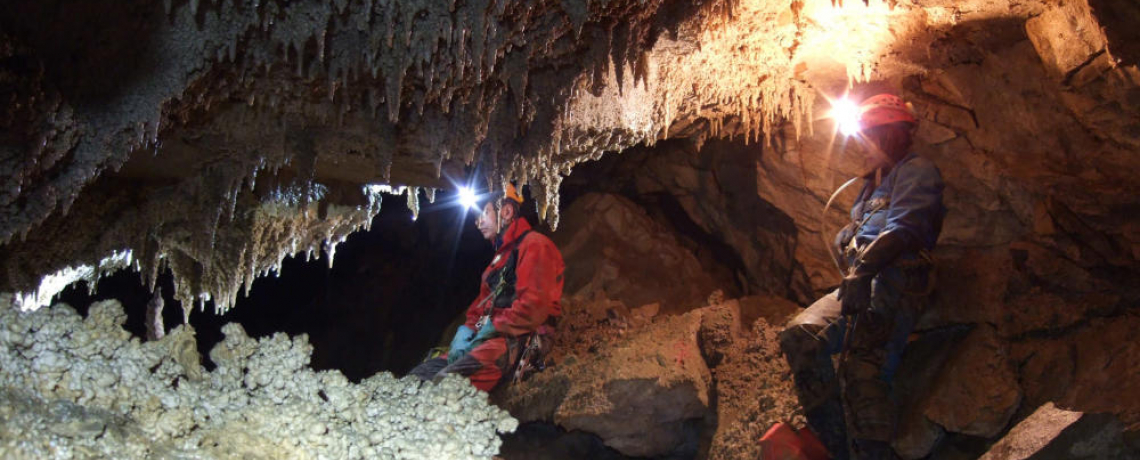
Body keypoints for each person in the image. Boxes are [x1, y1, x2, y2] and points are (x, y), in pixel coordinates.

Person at [778, 94, 945, 459]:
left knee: (862, 370)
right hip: (863, 282)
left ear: (890, 134)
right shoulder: (871, 187)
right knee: (801, 335)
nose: (861, 148)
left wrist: (864, 270)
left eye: (867, 137)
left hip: (895, 285)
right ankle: (834, 446)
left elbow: (906, 229)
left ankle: (873, 453)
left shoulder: (917, 171)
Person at [410, 183, 565, 392]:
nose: (478, 222)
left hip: (519, 337)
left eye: (483, 213)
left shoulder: (535, 245)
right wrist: (467, 331)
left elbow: (533, 307)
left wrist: (493, 328)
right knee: (419, 376)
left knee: (446, 385)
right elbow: (480, 308)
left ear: (507, 211)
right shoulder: (498, 261)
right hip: (490, 337)